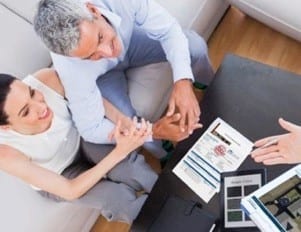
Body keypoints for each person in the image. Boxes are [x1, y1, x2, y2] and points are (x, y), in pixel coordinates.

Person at [33, 0, 213, 153]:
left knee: (194, 46)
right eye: (90, 55)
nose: (108, 52)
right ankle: (164, 152)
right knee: (129, 122)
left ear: (93, 10)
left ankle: (209, 85)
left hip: (132, 42)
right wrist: (153, 131)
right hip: (104, 77)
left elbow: (169, 31)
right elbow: (90, 128)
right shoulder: (69, 68)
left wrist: (182, 81)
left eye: (100, 37)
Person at [0, 69, 158, 223]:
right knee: (117, 199)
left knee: (133, 170)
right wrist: (119, 152)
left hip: (81, 139)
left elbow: (91, 99)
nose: (41, 107)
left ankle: (178, 193)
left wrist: (124, 122)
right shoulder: (5, 153)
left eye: (32, 93)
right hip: (60, 174)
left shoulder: (48, 80)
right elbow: (70, 190)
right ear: (5, 127)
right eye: (26, 111)